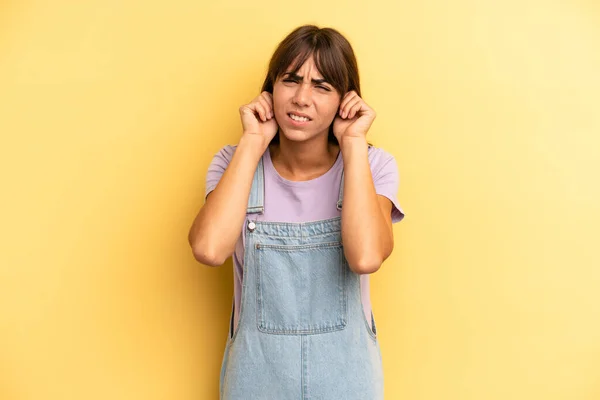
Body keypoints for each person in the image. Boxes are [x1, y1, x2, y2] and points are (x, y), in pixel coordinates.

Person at [188, 24, 405, 400]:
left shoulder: (374, 166)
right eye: (291, 80)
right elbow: (209, 249)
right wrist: (253, 141)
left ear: (345, 99)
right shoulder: (233, 162)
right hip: (255, 380)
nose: (302, 98)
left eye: (322, 86)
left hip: (347, 382)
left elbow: (366, 257)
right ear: (270, 90)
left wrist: (353, 144)